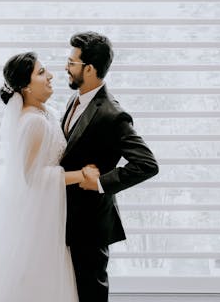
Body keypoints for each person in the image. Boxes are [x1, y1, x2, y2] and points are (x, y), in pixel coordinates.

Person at [0, 50, 95, 302]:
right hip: (38, 219)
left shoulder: (47, 114)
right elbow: (32, 178)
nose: (51, 76)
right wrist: (80, 175)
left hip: (49, 212)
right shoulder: (33, 123)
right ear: (25, 86)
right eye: (41, 72)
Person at [61, 31, 159, 302]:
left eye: (71, 63)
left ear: (89, 69)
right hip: (66, 217)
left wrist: (101, 182)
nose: (66, 68)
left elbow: (147, 164)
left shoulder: (112, 114)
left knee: (92, 292)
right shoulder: (75, 99)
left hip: (91, 223)